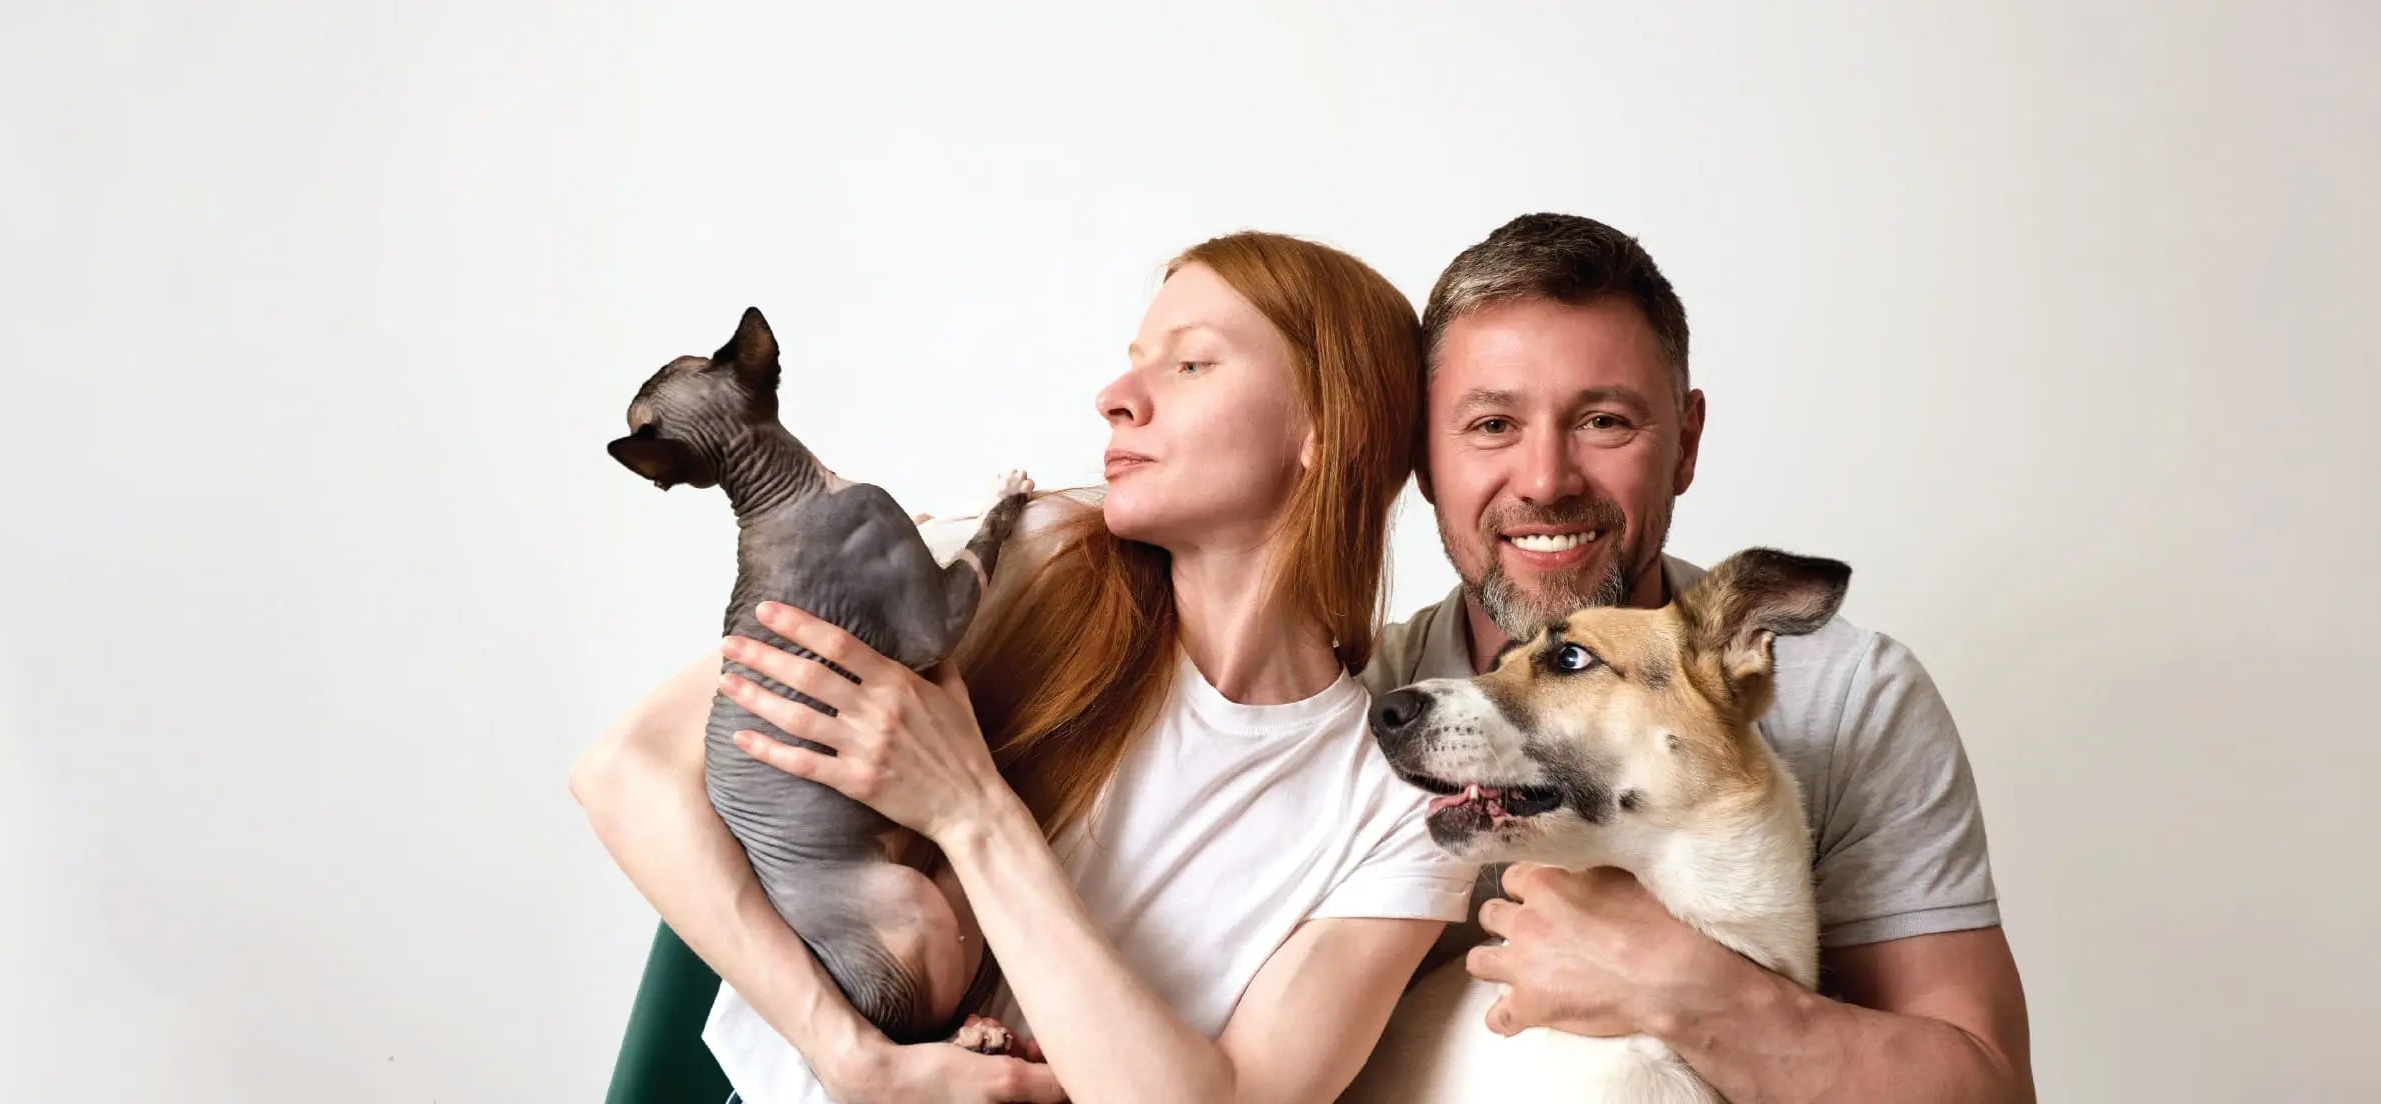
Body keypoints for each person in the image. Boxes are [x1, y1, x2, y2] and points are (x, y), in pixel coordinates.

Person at [571, 231, 1479, 1104]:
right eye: (1133, 358)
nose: (1117, 396)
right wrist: (850, 1060)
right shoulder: (1021, 555)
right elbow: (627, 771)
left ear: (1328, 426)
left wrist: (971, 813)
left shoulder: (1394, 811)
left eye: (1191, 364)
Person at [1360, 212, 2036, 1101]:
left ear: (1685, 441)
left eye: (1604, 420)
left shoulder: (1850, 698)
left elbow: (1986, 1090)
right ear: (1422, 459)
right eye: (1491, 425)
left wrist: (1687, 989)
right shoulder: (1353, 700)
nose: (1545, 480)